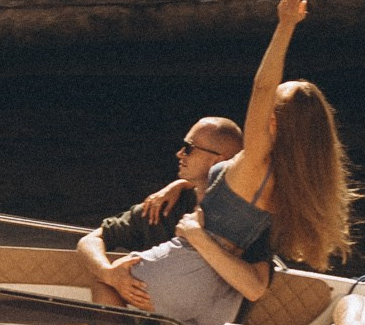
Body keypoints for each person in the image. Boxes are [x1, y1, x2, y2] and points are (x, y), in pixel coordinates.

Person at [78, 0, 356, 325]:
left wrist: (285, 26)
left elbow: (261, 86)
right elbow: (228, 196)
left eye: (272, 104)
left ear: (276, 119)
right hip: (218, 296)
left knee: (105, 282)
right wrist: (180, 185)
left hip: (186, 265)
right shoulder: (293, 182)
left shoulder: (257, 161)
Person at [73, 114, 242, 288]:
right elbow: (90, 240)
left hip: (209, 307)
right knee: (104, 283)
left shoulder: (243, 213)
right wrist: (108, 274)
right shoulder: (163, 206)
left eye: (189, 148)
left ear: (218, 160)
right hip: (160, 303)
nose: (179, 154)